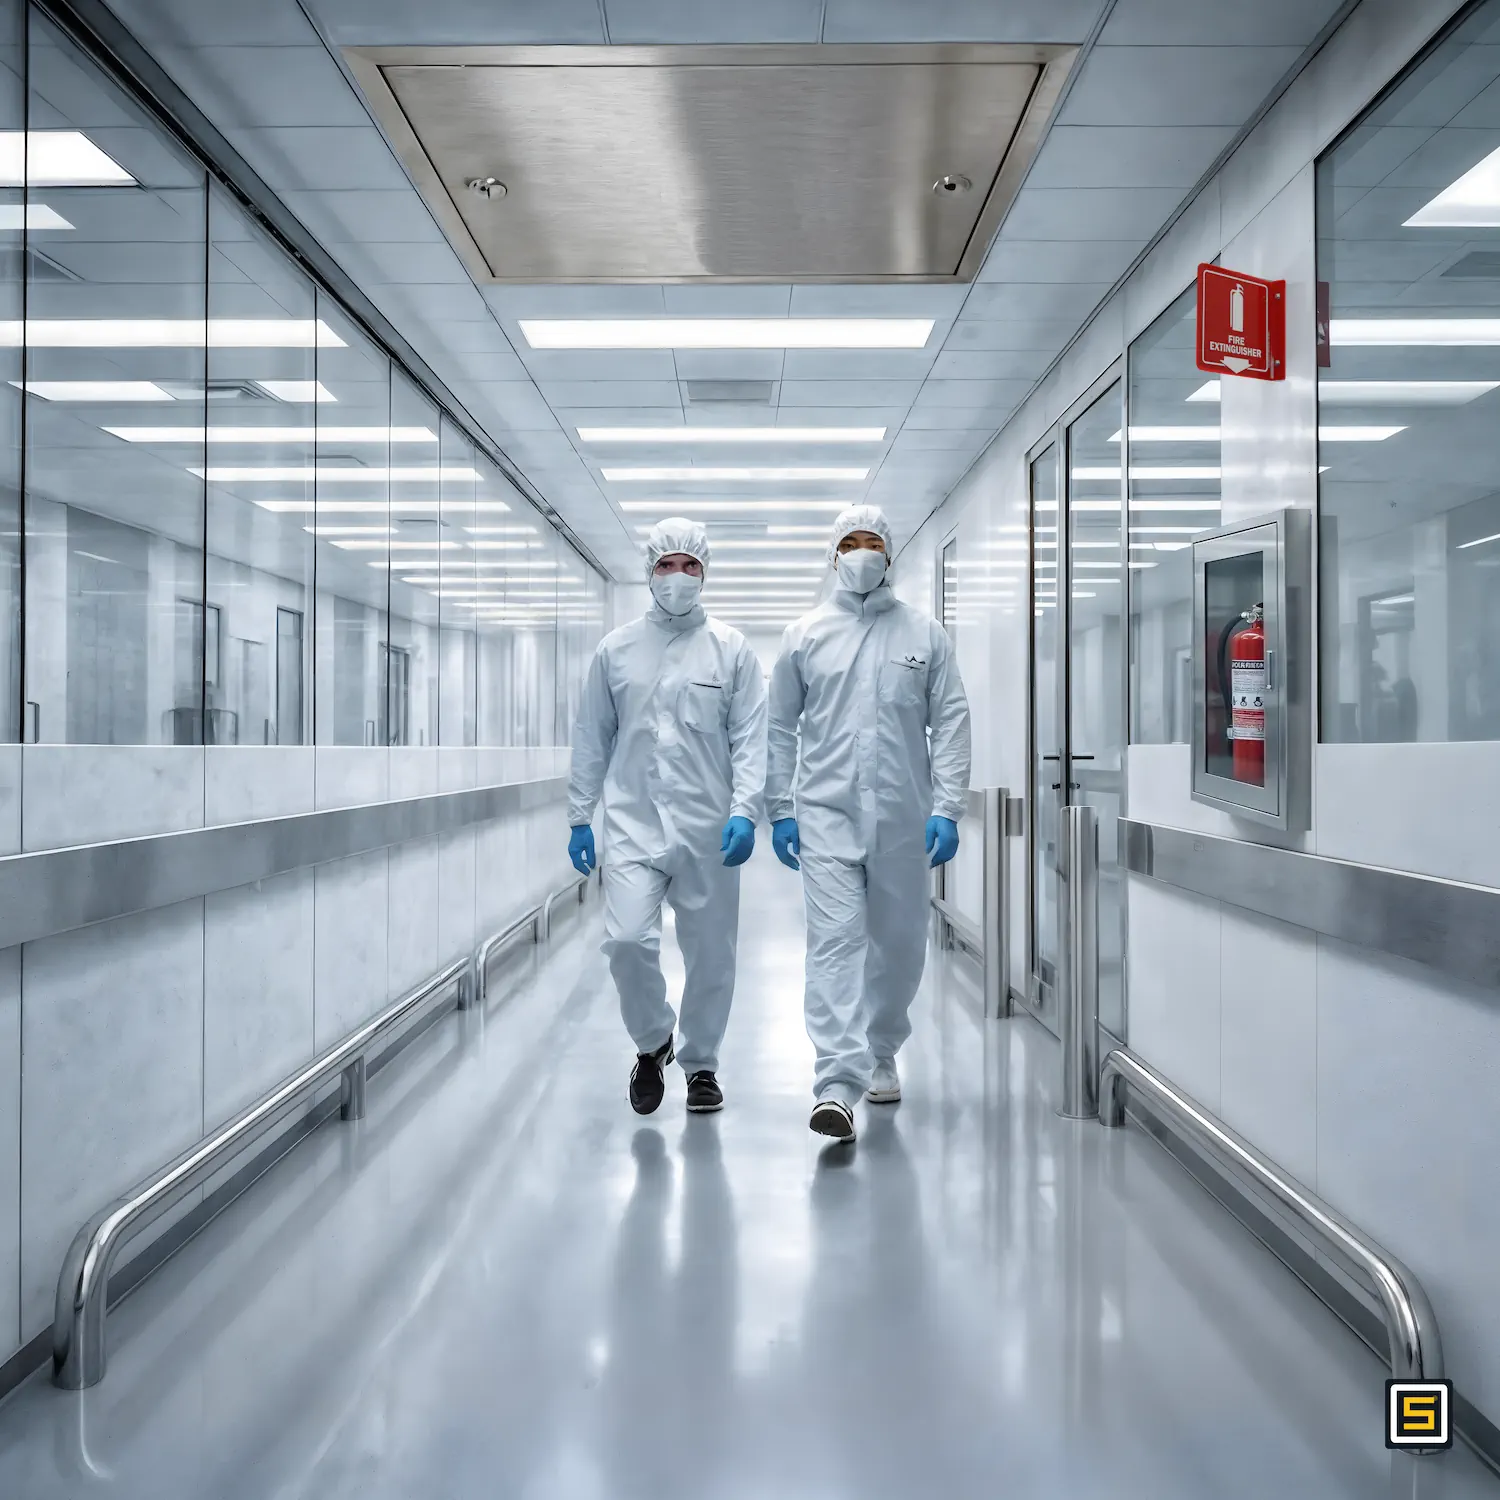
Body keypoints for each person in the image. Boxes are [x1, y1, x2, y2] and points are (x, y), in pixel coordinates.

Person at [766, 505, 971, 1141]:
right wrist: (780, 808)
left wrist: (948, 806)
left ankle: (881, 1049)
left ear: (891, 553)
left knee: (901, 945)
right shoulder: (803, 635)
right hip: (826, 816)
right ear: (833, 554)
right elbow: (779, 726)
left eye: (873, 542)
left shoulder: (924, 634)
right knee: (834, 946)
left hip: (905, 819)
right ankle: (835, 1081)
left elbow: (953, 720)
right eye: (850, 543)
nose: (862, 553)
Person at [567, 517, 767, 1116]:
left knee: (711, 955)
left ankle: (701, 1063)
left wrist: (747, 811)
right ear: (648, 572)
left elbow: (751, 739)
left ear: (704, 573)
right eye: (666, 565)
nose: (678, 577)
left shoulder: (732, 650)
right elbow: (591, 737)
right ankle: (654, 1041)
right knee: (626, 942)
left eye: (690, 566)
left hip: (710, 830)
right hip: (632, 826)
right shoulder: (617, 649)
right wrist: (580, 814)